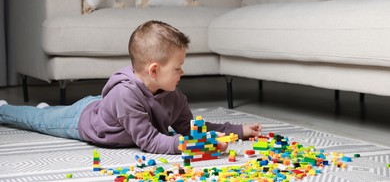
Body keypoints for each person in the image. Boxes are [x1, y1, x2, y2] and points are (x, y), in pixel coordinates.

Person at [0, 20, 261, 154]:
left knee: (50, 113)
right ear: (154, 70)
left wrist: (238, 130)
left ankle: (52, 109)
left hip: (105, 107)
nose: (183, 72)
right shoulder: (126, 95)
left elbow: (190, 129)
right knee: (39, 120)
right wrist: (195, 146)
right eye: (178, 67)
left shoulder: (174, 95)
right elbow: (149, 141)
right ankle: (5, 110)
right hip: (83, 120)